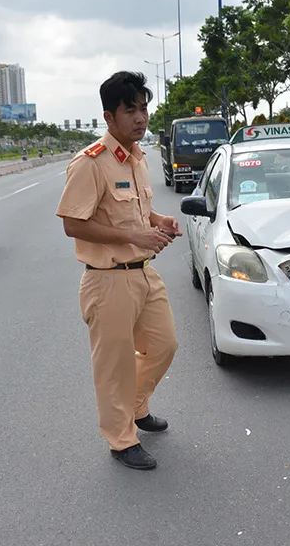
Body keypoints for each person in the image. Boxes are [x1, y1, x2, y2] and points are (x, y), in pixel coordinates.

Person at [55, 71, 181, 471]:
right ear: (109, 117)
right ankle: (122, 439)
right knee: (115, 366)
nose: (141, 118)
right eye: (131, 111)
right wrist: (136, 237)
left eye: (144, 108)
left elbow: (138, 212)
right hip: (107, 280)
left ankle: (137, 407)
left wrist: (157, 222)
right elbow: (73, 224)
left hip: (144, 274)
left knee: (164, 346)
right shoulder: (91, 163)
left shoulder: (139, 159)